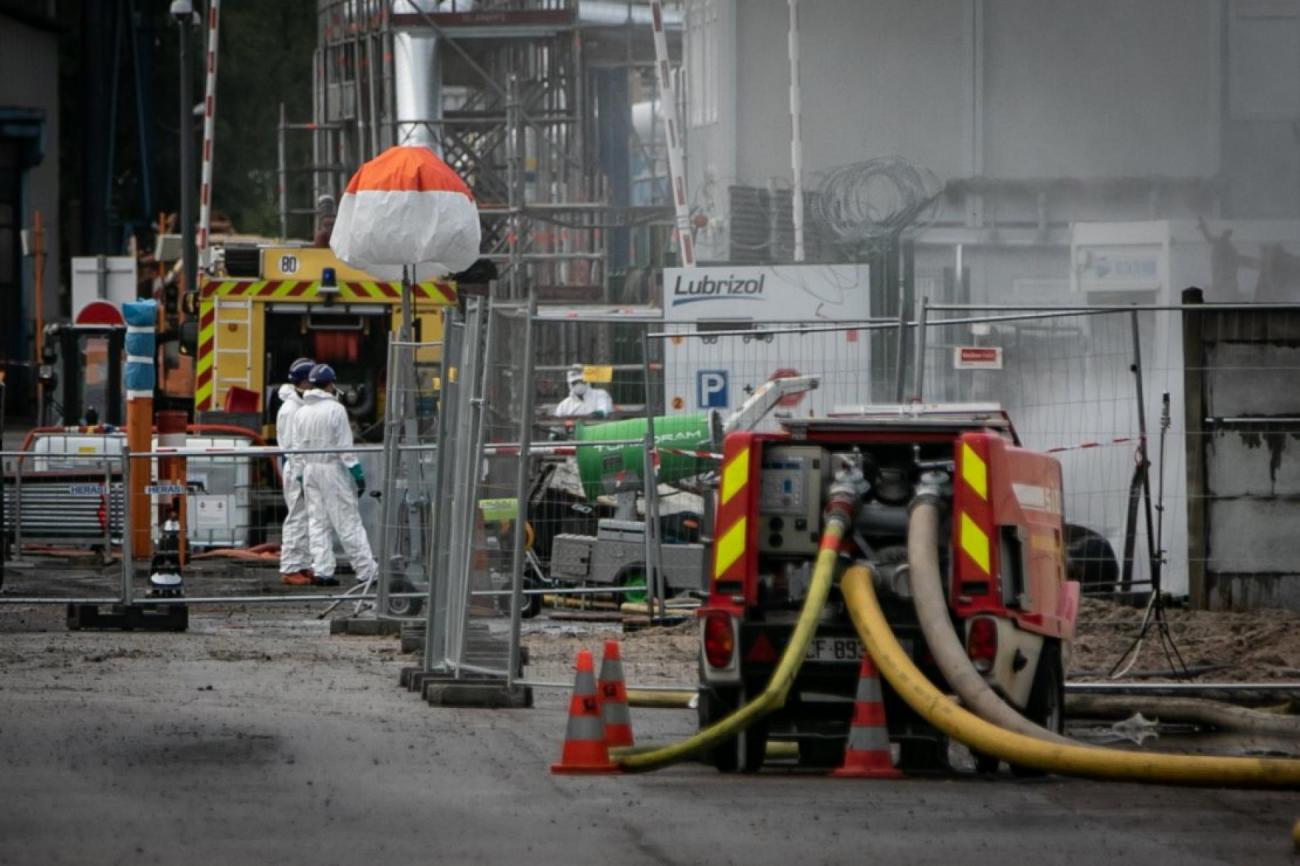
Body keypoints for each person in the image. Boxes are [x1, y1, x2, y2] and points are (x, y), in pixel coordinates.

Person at [296, 363, 377, 588]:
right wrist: (357, 473)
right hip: (331, 469)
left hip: (310, 470)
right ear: (330, 384)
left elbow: (297, 446)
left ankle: (322, 570)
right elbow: (344, 446)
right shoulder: (335, 410)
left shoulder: (302, 411)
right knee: (348, 522)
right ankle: (366, 571)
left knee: (318, 522)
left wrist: (301, 474)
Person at [276, 357, 334, 586]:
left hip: (300, 466)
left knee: (303, 516)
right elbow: (293, 445)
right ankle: (290, 568)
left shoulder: (297, 405)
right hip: (297, 467)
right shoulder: (292, 409)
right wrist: (301, 471)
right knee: (297, 517)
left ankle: (299, 564)